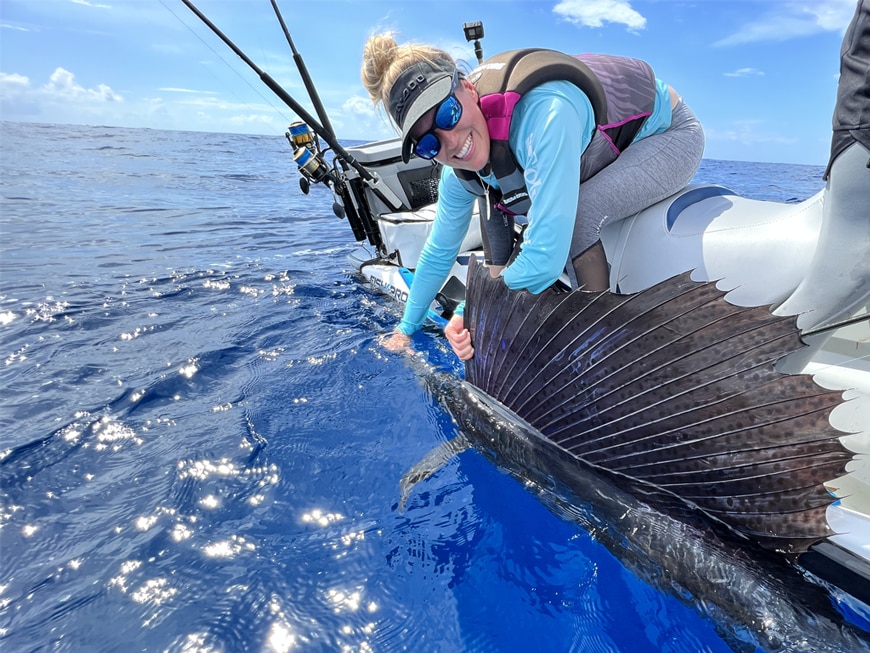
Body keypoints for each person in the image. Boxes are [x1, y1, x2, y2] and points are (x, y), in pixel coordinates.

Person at [361, 33, 705, 360]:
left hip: (668, 135)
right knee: (488, 197)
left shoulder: (545, 113)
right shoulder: (457, 169)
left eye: (448, 114)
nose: (449, 143)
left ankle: (598, 348)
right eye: (428, 143)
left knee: (581, 216)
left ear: (468, 88)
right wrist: (405, 329)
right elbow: (438, 253)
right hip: (589, 154)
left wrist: (473, 311)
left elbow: (545, 259)